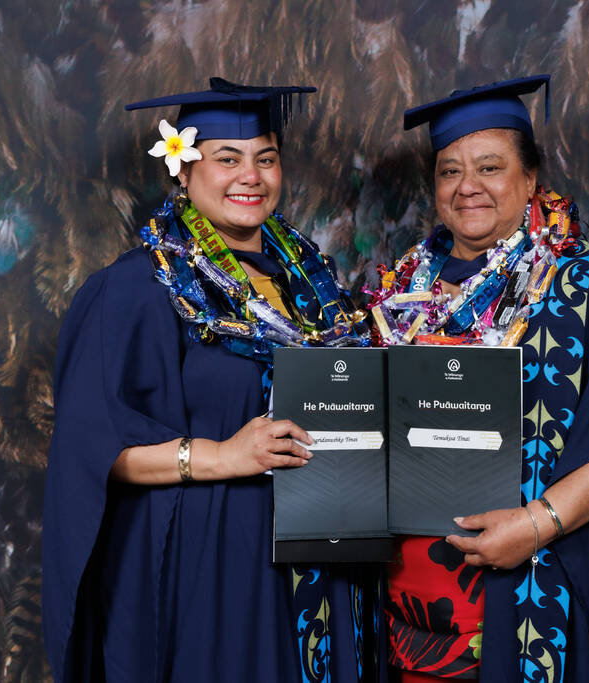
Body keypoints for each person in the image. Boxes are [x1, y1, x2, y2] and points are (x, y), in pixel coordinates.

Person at [42, 78, 383, 682]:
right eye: (227, 159)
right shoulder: (136, 290)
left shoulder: (312, 284)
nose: (249, 177)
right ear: (183, 170)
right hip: (215, 562)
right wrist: (224, 456)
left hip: (323, 551)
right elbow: (93, 452)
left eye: (265, 158)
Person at [368, 76, 589, 682]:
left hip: (536, 597)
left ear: (529, 180)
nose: (468, 187)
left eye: (490, 167)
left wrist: (535, 523)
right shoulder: (398, 298)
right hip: (408, 619)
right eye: (449, 171)